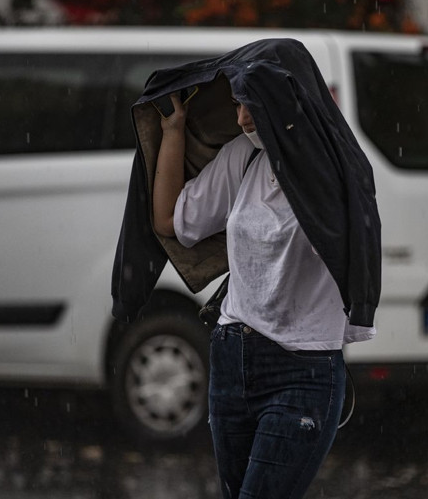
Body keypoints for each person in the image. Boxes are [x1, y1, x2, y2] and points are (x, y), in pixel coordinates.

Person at [151, 86, 369, 498]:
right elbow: (169, 220)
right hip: (232, 357)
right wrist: (173, 130)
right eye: (237, 104)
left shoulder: (335, 166)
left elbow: (347, 249)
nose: (242, 119)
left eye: (252, 103)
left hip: (303, 370)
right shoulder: (244, 155)